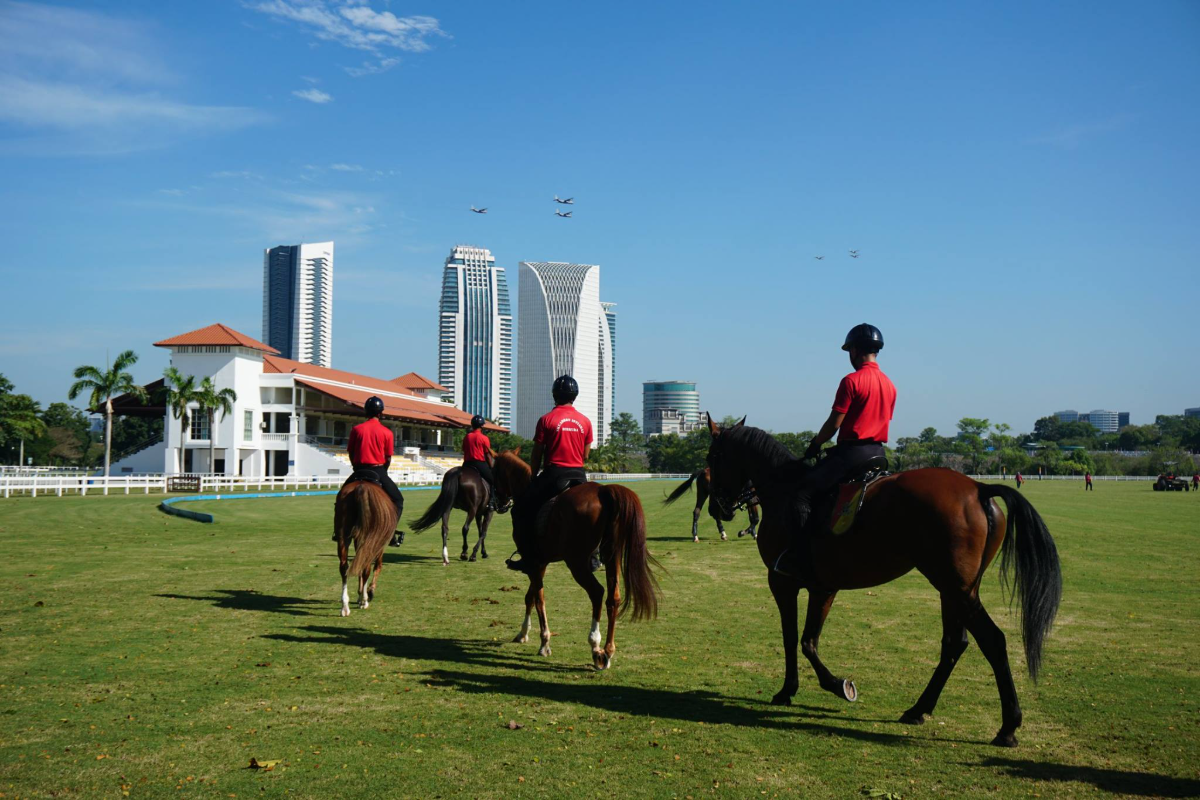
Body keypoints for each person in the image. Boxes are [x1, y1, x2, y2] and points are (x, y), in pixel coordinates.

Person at [773, 323, 896, 579]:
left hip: (852, 455)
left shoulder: (851, 380)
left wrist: (816, 444)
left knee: (801, 494)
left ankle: (798, 557)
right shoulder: (889, 384)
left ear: (854, 350)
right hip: (879, 454)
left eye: (849, 350)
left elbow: (834, 423)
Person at [506, 375, 593, 574]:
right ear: (575, 396)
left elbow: (537, 453)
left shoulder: (546, 419)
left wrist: (533, 477)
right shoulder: (585, 421)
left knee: (520, 510)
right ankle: (594, 556)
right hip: (579, 476)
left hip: (555, 475)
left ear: (555, 395)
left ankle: (526, 557)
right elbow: (585, 455)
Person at [343, 395, 405, 543]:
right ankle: (390, 533)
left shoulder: (356, 429)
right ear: (380, 413)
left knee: (342, 498)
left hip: (358, 470)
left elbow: (351, 452)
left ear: (366, 412)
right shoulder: (387, 432)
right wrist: (384, 470)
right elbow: (388, 458)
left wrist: (355, 467)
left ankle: (339, 531)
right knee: (398, 500)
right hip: (378, 470)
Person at [462, 414, 498, 510]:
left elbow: (464, 449)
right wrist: (491, 467)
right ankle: (491, 502)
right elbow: (487, 455)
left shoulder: (467, 436)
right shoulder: (484, 438)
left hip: (466, 464)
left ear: (472, 425)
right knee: (493, 480)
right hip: (479, 463)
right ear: (482, 426)